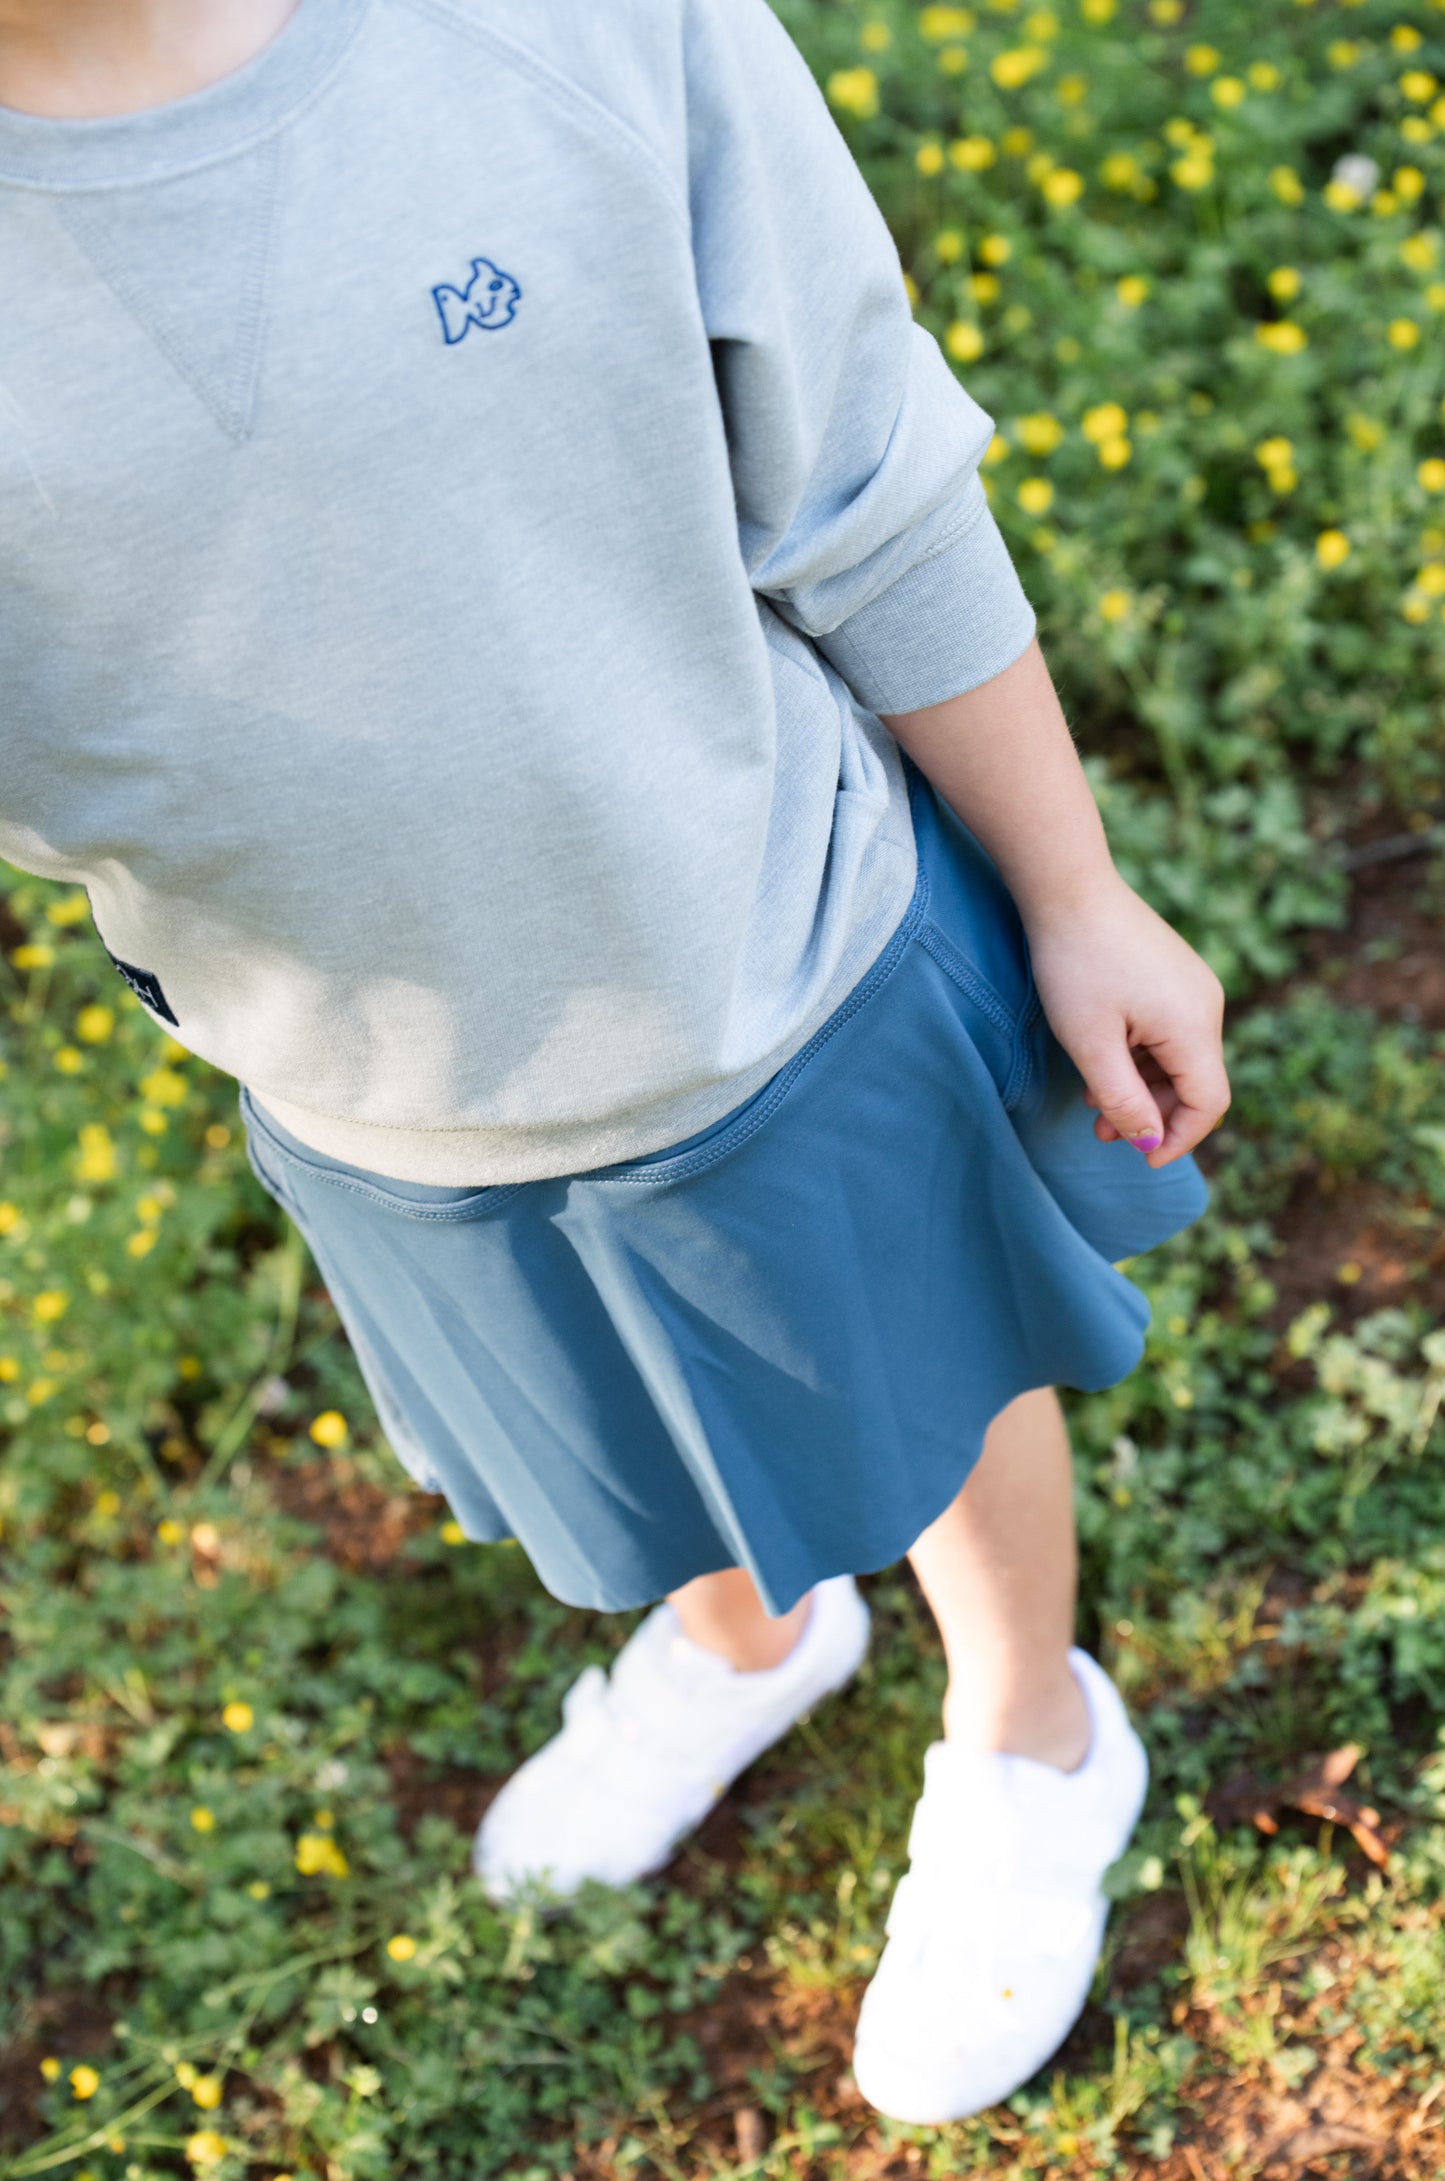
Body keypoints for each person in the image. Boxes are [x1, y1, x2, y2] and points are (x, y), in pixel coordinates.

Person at [0, 0, 1229, 2127]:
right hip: (371, 1084)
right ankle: (762, 1633)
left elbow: (859, 468)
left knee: (921, 1377)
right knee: (624, 1412)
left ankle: (1035, 1721)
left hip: (767, 977)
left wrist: (1075, 886)